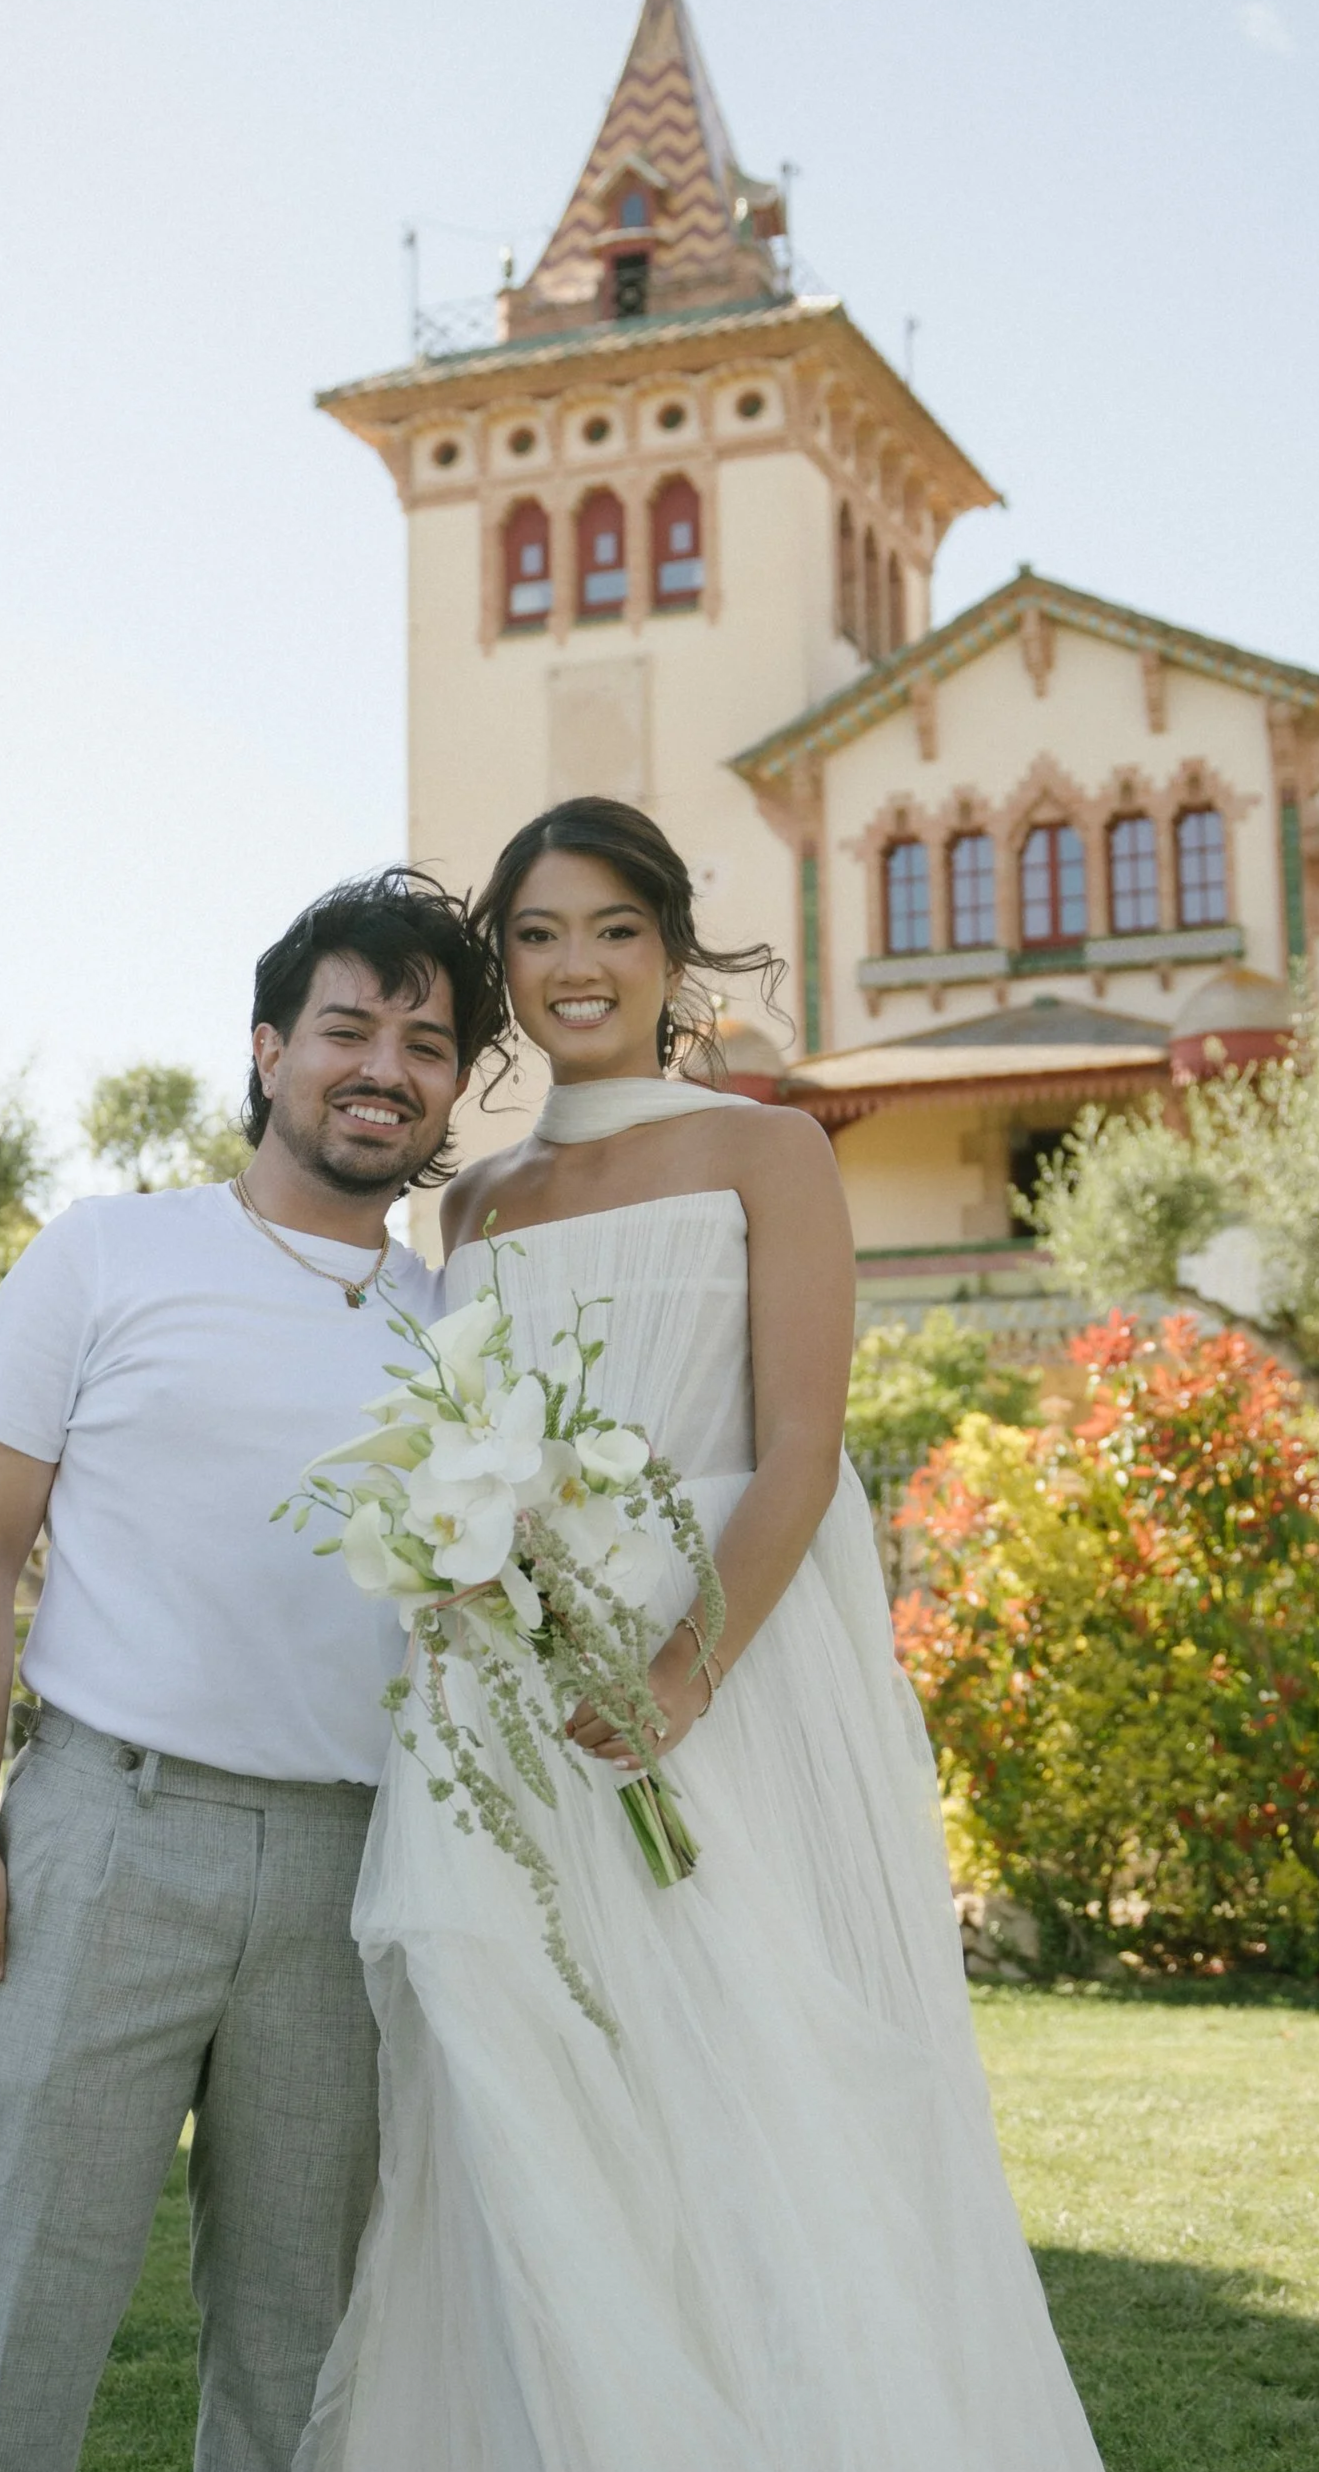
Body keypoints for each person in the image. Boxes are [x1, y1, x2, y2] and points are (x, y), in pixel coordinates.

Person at [295, 800, 1105, 2471]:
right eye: (535, 935)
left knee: (744, 2091)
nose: (572, 965)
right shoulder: (479, 1208)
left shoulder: (766, 1151)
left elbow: (803, 1445)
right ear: (500, 970)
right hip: (506, 1706)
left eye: (608, 929)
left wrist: (682, 1675)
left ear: (668, 948)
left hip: (712, 1685)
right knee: (523, 2089)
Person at [0, 869, 505, 2472]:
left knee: (297, 2341)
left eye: (428, 1043)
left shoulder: (462, 1332)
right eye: (348, 1027)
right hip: (109, 1839)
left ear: (453, 1092)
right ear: (266, 1050)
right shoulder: (106, 1256)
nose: (385, 1066)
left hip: (351, 1869)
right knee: (28, 2299)